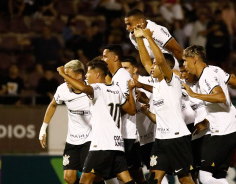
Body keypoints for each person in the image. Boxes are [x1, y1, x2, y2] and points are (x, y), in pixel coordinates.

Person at [56, 59, 137, 184]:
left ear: (97, 75)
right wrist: (130, 91)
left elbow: (82, 87)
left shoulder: (96, 88)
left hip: (101, 144)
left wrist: (63, 74)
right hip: (117, 143)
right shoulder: (116, 90)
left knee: (85, 180)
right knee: (126, 179)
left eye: (88, 73)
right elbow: (132, 110)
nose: (86, 76)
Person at [133, 27, 194, 184]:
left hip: (177, 138)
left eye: (155, 65)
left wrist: (149, 37)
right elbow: (146, 61)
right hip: (160, 140)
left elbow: (159, 60)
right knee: (154, 179)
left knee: (184, 179)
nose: (151, 67)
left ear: (165, 68)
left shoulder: (171, 80)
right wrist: (139, 39)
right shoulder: (157, 86)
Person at [182, 45, 236, 184]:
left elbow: (221, 97)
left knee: (204, 177)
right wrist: (233, 82)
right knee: (218, 177)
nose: (184, 64)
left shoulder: (206, 76)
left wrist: (194, 94)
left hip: (222, 131)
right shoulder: (215, 70)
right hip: (229, 128)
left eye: (185, 60)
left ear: (194, 59)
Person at [39, 60, 94, 184]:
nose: (65, 79)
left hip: (90, 139)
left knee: (89, 177)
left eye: (68, 75)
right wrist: (43, 128)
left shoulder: (91, 89)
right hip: (72, 140)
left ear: (79, 75)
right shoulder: (63, 90)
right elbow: (53, 105)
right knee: (69, 178)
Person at [102, 45, 146, 184]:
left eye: (105, 56)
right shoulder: (116, 77)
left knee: (114, 173)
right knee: (132, 175)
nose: (103, 59)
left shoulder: (122, 77)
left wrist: (107, 114)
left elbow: (128, 107)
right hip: (122, 133)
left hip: (126, 133)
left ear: (115, 58)